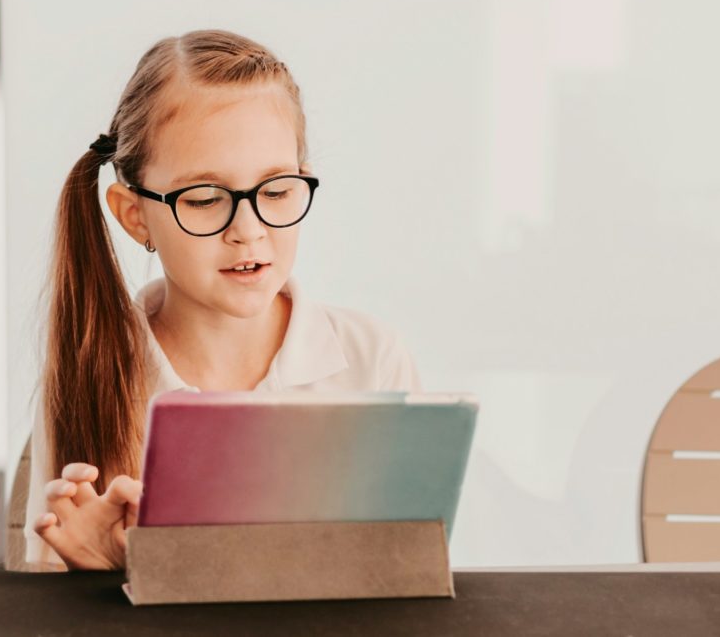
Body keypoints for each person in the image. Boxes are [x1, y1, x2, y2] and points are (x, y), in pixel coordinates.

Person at [24, 29, 422, 572]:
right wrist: (99, 582)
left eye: (277, 190)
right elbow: (39, 607)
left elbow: (409, 580)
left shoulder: (371, 358)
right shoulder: (90, 373)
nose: (248, 229)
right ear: (134, 213)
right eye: (206, 198)